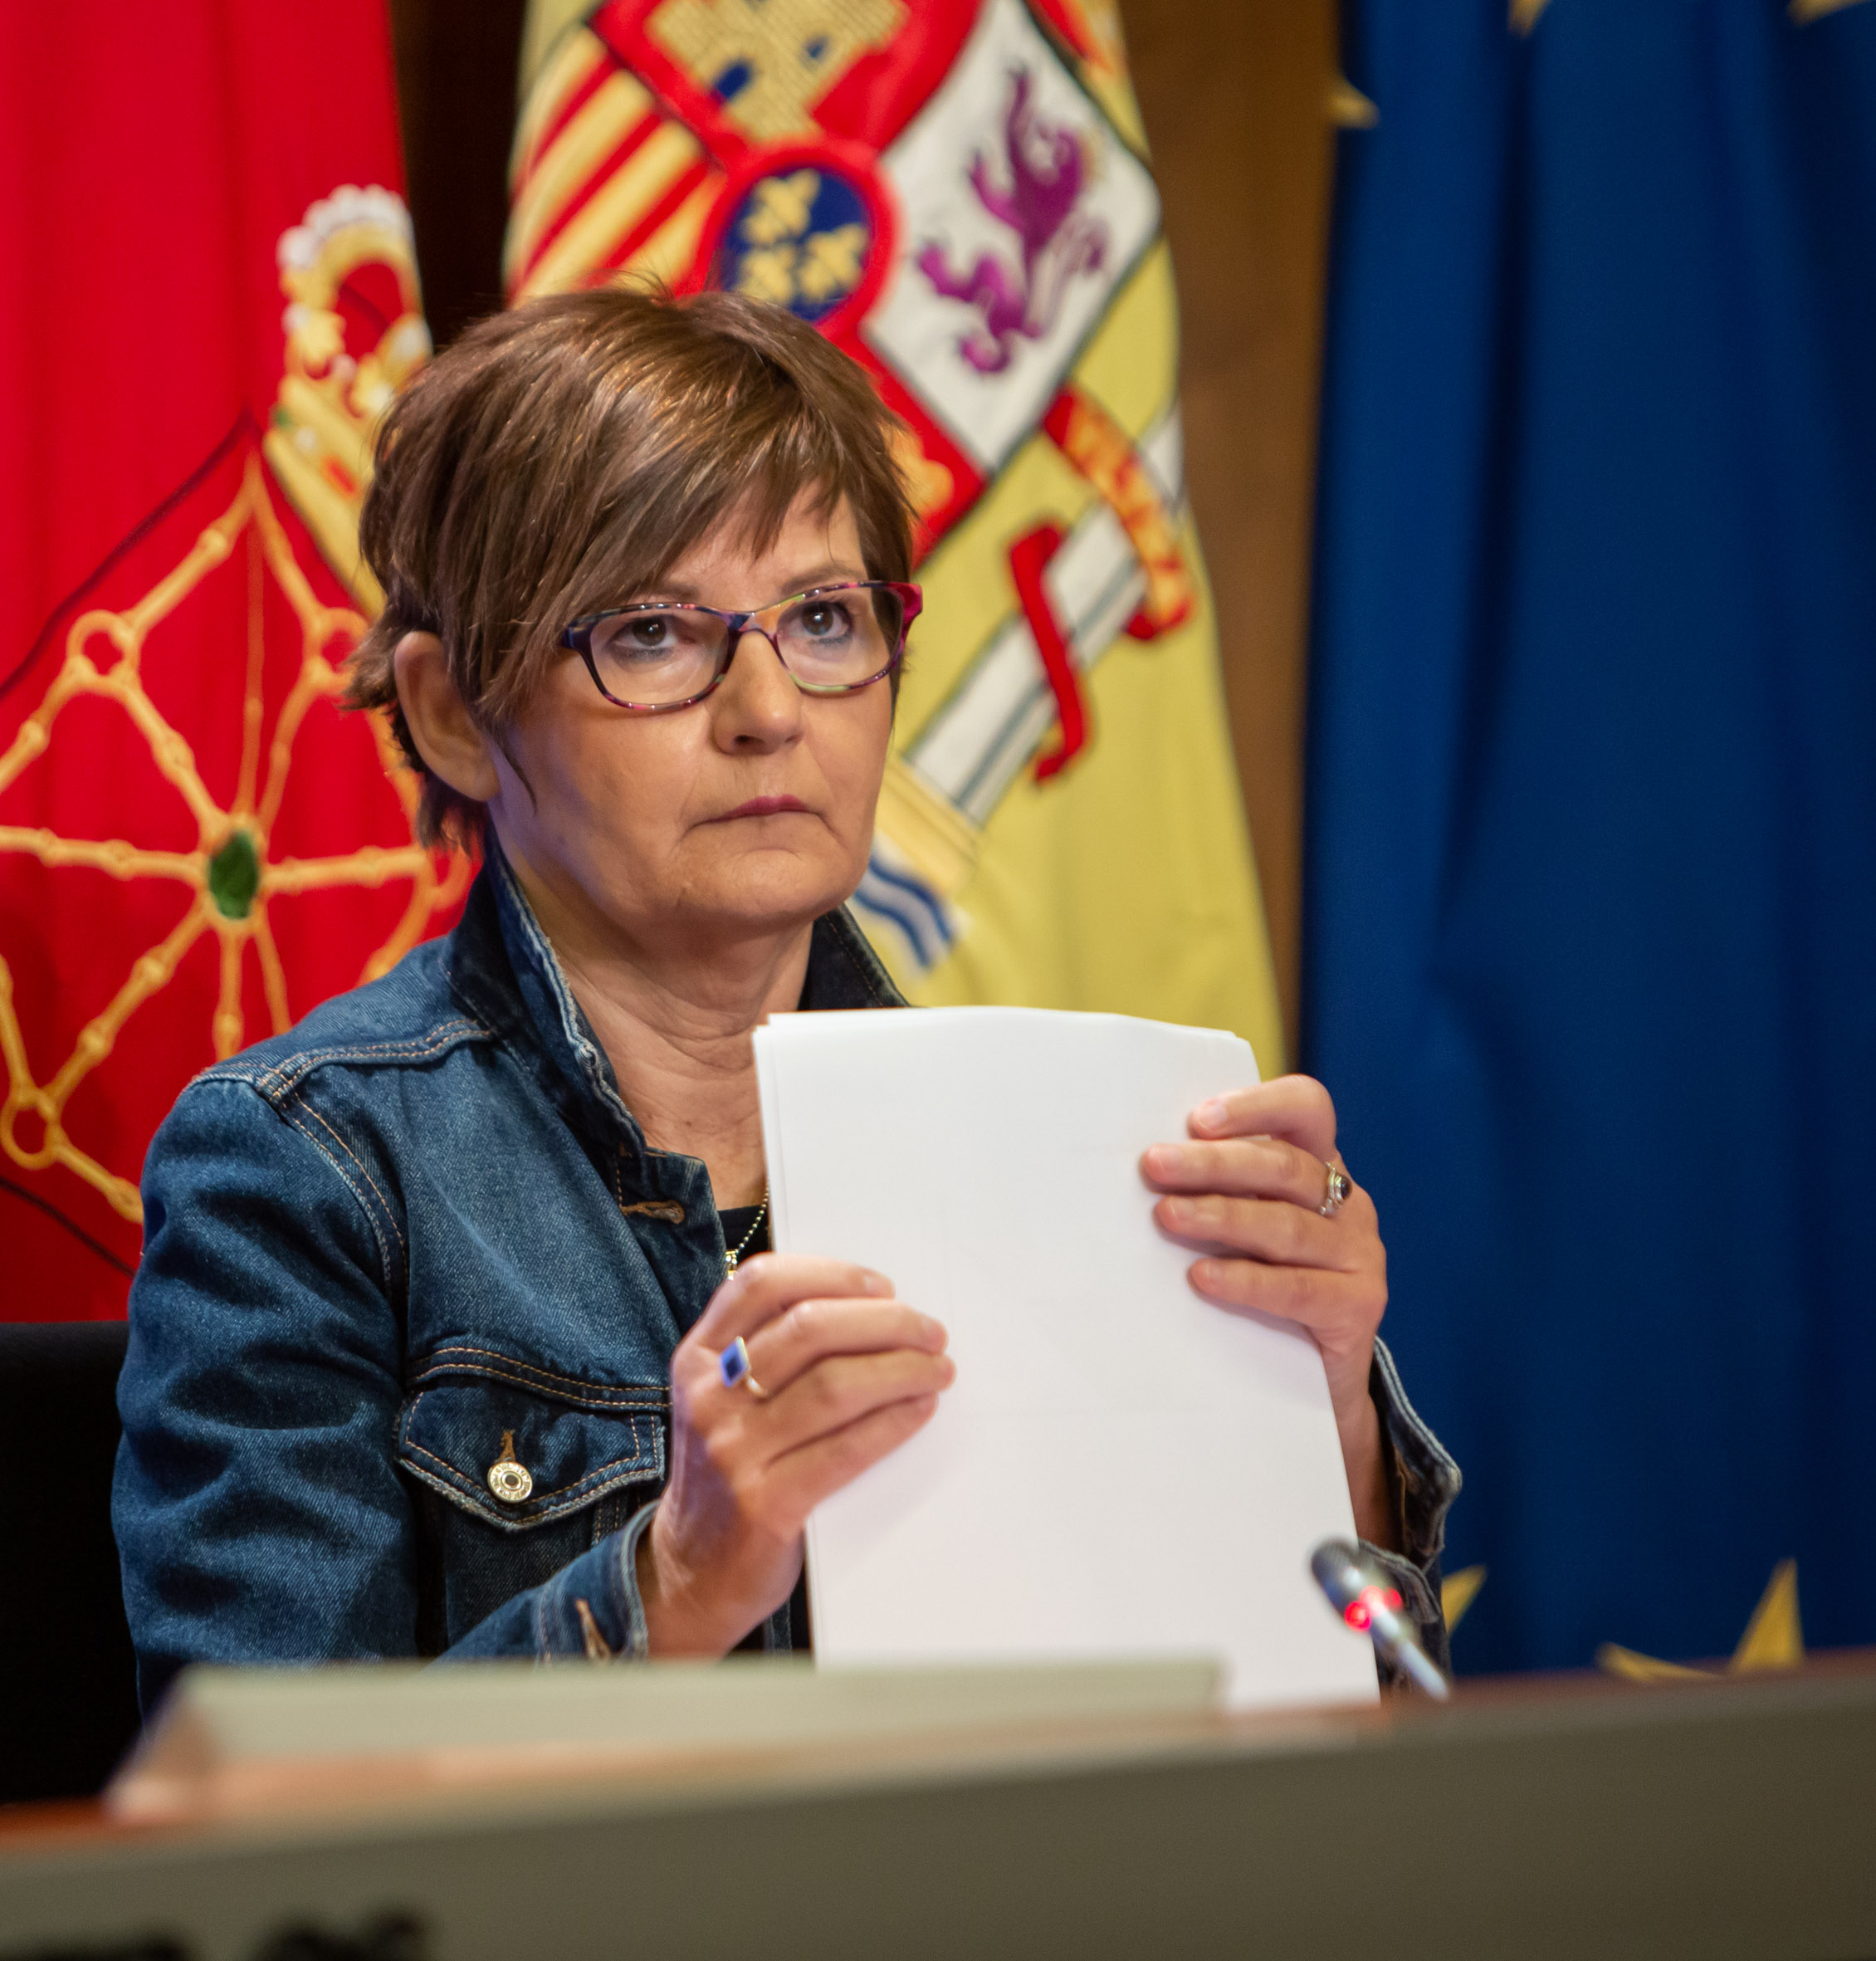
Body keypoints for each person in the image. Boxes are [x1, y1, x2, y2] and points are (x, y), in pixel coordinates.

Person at [111, 286, 1458, 1706]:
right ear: (453, 712)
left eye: (822, 618)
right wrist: (673, 1584)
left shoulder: (1080, 1133)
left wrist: (1323, 1422)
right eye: (652, 632)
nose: (769, 710)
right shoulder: (301, 1169)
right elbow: (271, 1802)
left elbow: (1332, 1745)